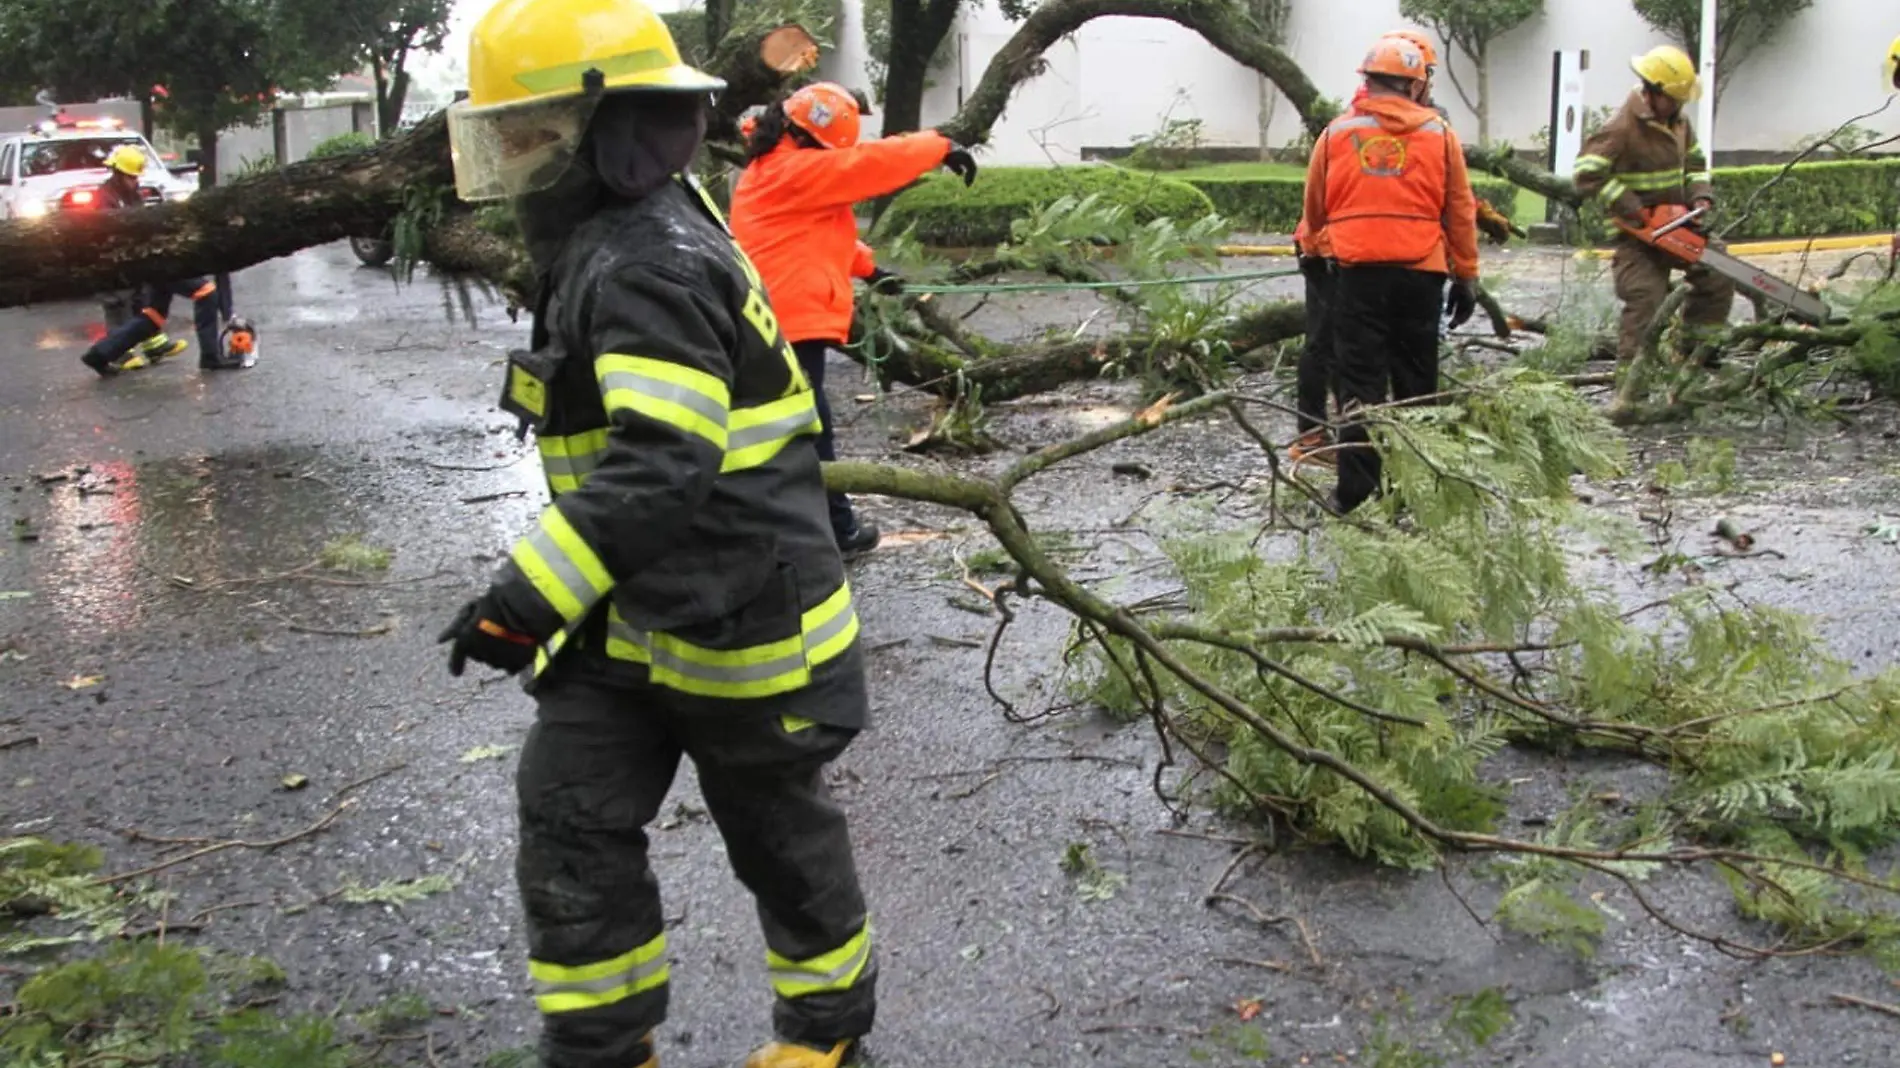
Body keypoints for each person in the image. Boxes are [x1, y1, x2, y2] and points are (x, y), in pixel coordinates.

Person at [435, 3, 879, 1067]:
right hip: (630, 616)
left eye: (535, 130)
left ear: (608, 126)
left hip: (741, 619)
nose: (519, 156)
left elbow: (657, 464)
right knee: (569, 814)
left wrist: (518, 604)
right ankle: (599, 1042)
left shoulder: (647, 258)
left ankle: (825, 1039)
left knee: (780, 842)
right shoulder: (623, 226)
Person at [730, 82, 977, 555]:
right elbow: (867, 164)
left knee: (797, 422)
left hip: (776, 320)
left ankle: (800, 523)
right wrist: (940, 145)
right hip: (786, 323)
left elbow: (813, 234)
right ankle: (836, 528)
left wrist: (871, 270)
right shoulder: (792, 170)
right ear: (815, 139)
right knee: (808, 425)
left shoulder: (779, 168)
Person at [1300, 35, 1479, 514]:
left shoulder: (1337, 134)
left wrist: (1320, 245)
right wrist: (1467, 276)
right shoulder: (1440, 135)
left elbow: (1313, 209)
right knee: (1417, 385)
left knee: (1360, 385)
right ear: (1417, 86)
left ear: (1367, 81)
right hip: (1421, 276)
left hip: (1357, 276)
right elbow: (1460, 210)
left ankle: (1355, 496)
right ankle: (1417, 491)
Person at [1287, 28, 1446, 467]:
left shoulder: (1417, 122)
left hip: (1357, 252)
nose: (1425, 83)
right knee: (1326, 340)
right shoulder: (1359, 124)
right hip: (1331, 249)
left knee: (1355, 347)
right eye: (1425, 74)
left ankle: (1360, 438)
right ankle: (1314, 435)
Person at [1573, 45, 1734, 365]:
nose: (1678, 104)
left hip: (1676, 226)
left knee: (1717, 271)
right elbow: (1585, 174)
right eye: (1673, 98)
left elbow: (1696, 162)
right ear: (1653, 91)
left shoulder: (1679, 123)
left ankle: (1696, 354)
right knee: (1646, 298)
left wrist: (1699, 194)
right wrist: (1632, 207)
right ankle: (1633, 378)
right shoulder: (1621, 127)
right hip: (1637, 236)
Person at [77, 146, 241, 377]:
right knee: (206, 292)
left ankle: (99, 355)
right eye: (131, 177)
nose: (135, 181)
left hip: (150, 256)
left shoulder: (129, 195)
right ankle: (210, 357)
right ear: (117, 173)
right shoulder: (105, 200)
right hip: (144, 261)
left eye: (136, 177)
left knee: (153, 316)